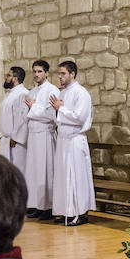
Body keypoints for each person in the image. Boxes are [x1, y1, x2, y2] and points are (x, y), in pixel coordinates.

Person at [50, 60, 95, 226]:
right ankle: (65, 211)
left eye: (63, 73)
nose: (60, 77)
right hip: (63, 140)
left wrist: (60, 109)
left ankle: (79, 212)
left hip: (75, 140)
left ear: (72, 74)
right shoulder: (63, 93)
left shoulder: (81, 93)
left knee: (76, 177)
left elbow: (79, 117)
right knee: (63, 177)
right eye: (59, 73)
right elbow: (59, 115)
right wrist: (57, 109)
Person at [24, 60, 59, 220]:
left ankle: (49, 206)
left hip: (45, 134)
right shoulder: (32, 92)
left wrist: (33, 107)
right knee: (34, 171)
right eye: (35, 71)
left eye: (39, 71)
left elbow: (50, 115)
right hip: (33, 135)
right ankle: (38, 204)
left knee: (46, 170)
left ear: (46, 73)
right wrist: (31, 108)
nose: (36, 75)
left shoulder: (52, 90)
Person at [0, 65, 29, 176]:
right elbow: (2, 116)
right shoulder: (9, 94)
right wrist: (0, 135)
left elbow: (22, 119)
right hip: (6, 141)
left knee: (18, 172)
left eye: (9, 75)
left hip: (16, 143)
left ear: (15, 78)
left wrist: (16, 138)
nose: (6, 77)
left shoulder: (22, 94)